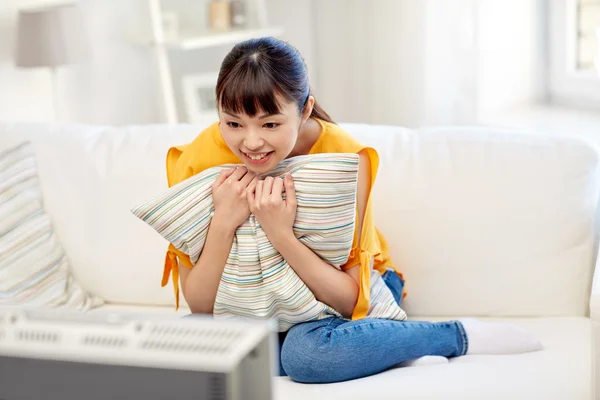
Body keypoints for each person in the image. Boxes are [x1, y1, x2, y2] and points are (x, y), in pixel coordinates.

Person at [163, 36, 542, 384]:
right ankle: (385, 350)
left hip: (350, 294)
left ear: (306, 109)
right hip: (254, 302)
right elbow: (201, 307)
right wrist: (224, 223)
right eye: (232, 123)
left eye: (271, 123)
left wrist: (280, 234)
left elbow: (349, 299)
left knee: (305, 356)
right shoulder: (198, 162)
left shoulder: (345, 158)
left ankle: (453, 335)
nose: (251, 141)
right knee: (181, 346)